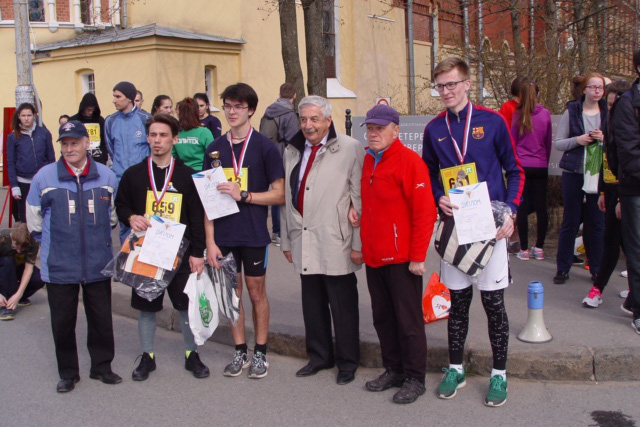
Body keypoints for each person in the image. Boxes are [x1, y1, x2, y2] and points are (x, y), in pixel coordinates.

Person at [422, 57, 524, 407]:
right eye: (441, 86)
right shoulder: (434, 128)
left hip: (491, 229)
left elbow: (516, 171)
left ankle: (499, 375)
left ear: (467, 84)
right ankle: (455, 369)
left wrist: (510, 212)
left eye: (452, 84)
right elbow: (428, 172)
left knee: (494, 304)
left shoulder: (492, 122)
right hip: (455, 227)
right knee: (457, 304)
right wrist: (438, 196)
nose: (446, 91)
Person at [26, 120, 121, 393]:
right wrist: (53, 245)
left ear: (86, 144)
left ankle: (102, 367)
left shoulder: (106, 176)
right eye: (65, 144)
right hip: (60, 263)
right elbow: (34, 222)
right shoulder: (44, 177)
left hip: (98, 261)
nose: (69, 149)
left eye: (74, 143)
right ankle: (68, 373)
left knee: (102, 319)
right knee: (63, 322)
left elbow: (112, 218)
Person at [115, 113, 209, 381]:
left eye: (163, 135)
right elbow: (121, 205)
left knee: (184, 305)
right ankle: (148, 356)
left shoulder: (187, 176)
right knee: (146, 307)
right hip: (146, 253)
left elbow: (197, 218)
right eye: (153, 135)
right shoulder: (133, 175)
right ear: (147, 138)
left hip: (180, 253)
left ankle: (192, 355)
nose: (157, 140)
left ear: (174, 139)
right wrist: (131, 217)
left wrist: (197, 253)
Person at [280, 95, 364, 385]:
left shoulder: (350, 148)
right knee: (312, 303)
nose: (308, 125)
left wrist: (357, 245)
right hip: (303, 237)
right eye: (304, 119)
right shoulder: (292, 150)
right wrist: (286, 242)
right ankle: (319, 356)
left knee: (342, 305)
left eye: (315, 119)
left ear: (328, 120)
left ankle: (347, 362)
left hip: (336, 239)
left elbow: (359, 200)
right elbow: (286, 199)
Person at [203, 83, 285, 379]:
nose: (232, 111)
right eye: (227, 106)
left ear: (251, 110)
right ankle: (240, 350)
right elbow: (207, 201)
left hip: (253, 234)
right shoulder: (214, 148)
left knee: (255, 292)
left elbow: (280, 195)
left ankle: (260, 353)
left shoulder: (265, 147)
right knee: (232, 294)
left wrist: (245, 195)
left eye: (238, 106)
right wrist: (210, 242)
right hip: (224, 236)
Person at [357, 104, 435, 404]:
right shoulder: (367, 160)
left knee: (408, 321)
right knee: (383, 318)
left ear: (396, 130)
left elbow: (424, 213)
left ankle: (416, 377)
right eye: (370, 128)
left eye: (380, 128)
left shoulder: (410, 162)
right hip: (375, 256)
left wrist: (417, 256)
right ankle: (394, 370)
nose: (373, 132)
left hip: (403, 258)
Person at [553, 73, 607, 285]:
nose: (596, 91)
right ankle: (563, 267)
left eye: (600, 88)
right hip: (574, 172)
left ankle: (596, 269)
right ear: (584, 89)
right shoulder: (572, 110)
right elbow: (559, 143)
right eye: (592, 87)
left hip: (597, 172)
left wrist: (605, 138)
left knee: (596, 223)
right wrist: (579, 140)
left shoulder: (608, 112)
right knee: (571, 220)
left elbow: (618, 141)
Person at [582, 80, 631, 308]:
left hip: (628, 193)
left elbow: (629, 164)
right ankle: (600, 289)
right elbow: (605, 161)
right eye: (608, 105)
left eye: (614, 106)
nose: (610, 110)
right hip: (610, 191)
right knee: (613, 240)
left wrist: (622, 198)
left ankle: (601, 288)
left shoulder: (629, 128)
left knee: (627, 244)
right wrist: (602, 190)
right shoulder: (608, 124)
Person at [607, 50, 640, 333]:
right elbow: (628, 152)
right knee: (637, 249)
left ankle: (632, 300)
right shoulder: (627, 104)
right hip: (635, 186)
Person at [104, 81, 152, 242]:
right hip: (121, 180)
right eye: (114, 96)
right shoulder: (110, 121)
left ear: (130, 98)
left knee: (146, 220)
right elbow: (111, 149)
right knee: (126, 220)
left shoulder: (145, 119)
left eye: (118, 96)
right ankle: (126, 260)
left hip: (143, 179)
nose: (114, 100)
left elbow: (153, 148)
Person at [511, 79, 552, 261]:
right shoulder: (545, 114)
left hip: (522, 165)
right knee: (541, 207)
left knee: (522, 206)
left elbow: (513, 142)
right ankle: (540, 247)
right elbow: (548, 142)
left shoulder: (518, 114)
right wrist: (544, 161)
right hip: (540, 164)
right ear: (538, 94)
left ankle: (525, 249)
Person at [260, 83, 300, 246]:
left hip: (268, 154)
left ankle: (275, 231)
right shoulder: (289, 114)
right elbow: (293, 137)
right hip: (284, 155)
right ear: (294, 96)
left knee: (275, 191)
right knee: (283, 192)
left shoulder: (268, 111)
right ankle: (280, 232)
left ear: (279, 94)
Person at [7, 103, 55, 223]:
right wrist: (14, 186)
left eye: (29, 115)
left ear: (34, 115)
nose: (26, 118)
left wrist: (51, 179)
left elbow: (51, 157)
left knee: (43, 214)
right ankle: (26, 241)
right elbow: (11, 162)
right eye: (23, 115)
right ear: (19, 116)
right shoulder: (13, 137)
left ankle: (42, 241)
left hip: (41, 180)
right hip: (22, 182)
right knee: (25, 218)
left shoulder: (44, 133)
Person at [0, 223, 45, 321]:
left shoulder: (33, 242)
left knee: (40, 277)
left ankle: (15, 299)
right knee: (8, 262)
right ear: (11, 237)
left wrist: (19, 294)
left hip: (17, 266)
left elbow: (28, 269)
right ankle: (4, 306)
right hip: (4, 267)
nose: (19, 251)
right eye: (15, 246)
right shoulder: (2, 238)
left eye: (23, 248)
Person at [173, 97, 214, 171]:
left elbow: (173, 156)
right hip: (202, 173)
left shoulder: (175, 133)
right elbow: (212, 155)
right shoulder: (204, 132)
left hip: (183, 173)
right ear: (196, 112)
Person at [69, 92, 108, 164]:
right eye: (89, 110)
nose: (91, 112)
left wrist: (104, 157)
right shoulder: (73, 121)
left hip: (98, 158)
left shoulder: (100, 120)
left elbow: (104, 140)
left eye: (93, 110)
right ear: (83, 108)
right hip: (79, 158)